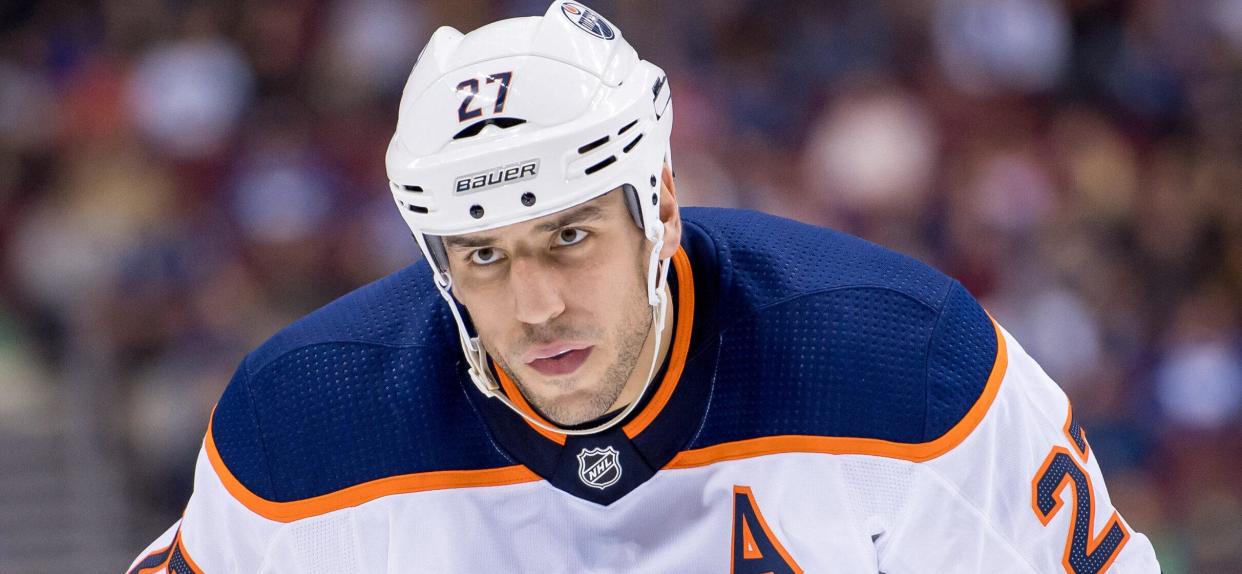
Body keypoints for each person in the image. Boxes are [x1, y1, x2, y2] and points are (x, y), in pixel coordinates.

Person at [128, 2, 1161, 572]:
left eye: (569, 236)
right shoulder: (302, 428)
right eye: (483, 255)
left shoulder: (902, 367)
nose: (535, 307)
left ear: (659, 204)